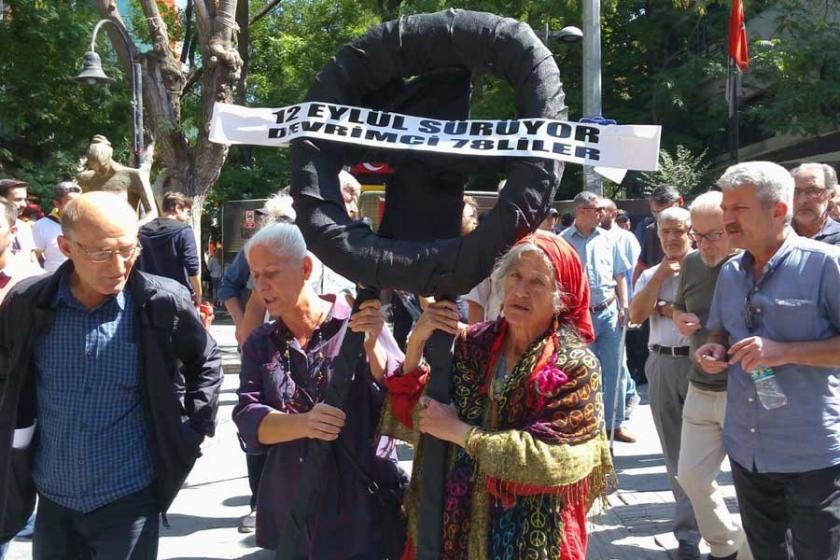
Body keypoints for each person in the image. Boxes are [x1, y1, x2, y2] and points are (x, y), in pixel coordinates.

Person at [0, 191, 222, 559]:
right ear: (66, 248)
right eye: (102, 252)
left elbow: (207, 360)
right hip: (53, 499)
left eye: (128, 249)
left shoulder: (161, 303)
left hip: (129, 497)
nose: (119, 265)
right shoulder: (29, 302)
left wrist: (194, 428)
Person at [382, 230, 609, 559]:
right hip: (455, 525)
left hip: (534, 534)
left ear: (561, 297)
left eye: (537, 282)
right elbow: (420, 416)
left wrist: (462, 434)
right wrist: (416, 343)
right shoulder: (475, 343)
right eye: (515, 276)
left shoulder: (574, 365)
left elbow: (553, 461)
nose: (520, 290)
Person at [696, 161, 840, 559]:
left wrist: (785, 352)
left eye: (738, 209)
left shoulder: (824, 264)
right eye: (725, 209)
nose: (726, 219)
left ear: (778, 210)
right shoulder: (730, 272)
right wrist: (714, 349)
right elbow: (720, 331)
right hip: (748, 449)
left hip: (810, 453)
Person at [232, 222, 404, 557]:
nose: (262, 286)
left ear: (306, 267)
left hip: (361, 509)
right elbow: (247, 418)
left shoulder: (355, 324)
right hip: (294, 508)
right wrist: (304, 423)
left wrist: (373, 349)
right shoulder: (261, 342)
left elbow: (402, 401)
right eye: (255, 275)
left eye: (272, 273)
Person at [671, 191, 750, 560]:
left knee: (753, 486)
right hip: (699, 386)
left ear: (732, 228)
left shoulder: (751, 266)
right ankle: (727, 545)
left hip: (742, 390)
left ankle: (746, 552)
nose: (704, 244)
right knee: (690, 477)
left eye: (713, 234)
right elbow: (680, 307)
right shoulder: (690, 263)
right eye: (697, 235)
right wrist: (678, 319)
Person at [629, 206, 702, 559]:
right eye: (665, 232)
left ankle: (709, 524)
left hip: (700, 365)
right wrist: (658, 279)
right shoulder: (649, 275)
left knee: (702, 452)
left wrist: (667, 307)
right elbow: (635, 314)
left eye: (679, 231)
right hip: (661, 362)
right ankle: (688, 534)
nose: (672, 238)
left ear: (692, 231)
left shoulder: (707, 266)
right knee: (674, 453)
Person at [561, 191, 635, 442]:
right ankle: (587, 422)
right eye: (597, 210)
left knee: (615, 369)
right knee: (583, 370)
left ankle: (615, 424)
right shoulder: (563, 241)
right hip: (579, 317)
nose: (602, 214)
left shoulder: (608, 239)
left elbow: (620, 275)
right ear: (581, 212)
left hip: (610, 311)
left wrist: (625, 305)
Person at [137, 191, 202, 306]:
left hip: (147, 296)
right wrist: (198, 293)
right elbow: (192, 266)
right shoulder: (184, 231)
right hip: (177, 296)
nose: (188, 217)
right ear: (177, 208)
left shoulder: (142, 231)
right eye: (188, 212)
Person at [76, 135, 158, 222]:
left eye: (101, 167)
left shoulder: (133, 176)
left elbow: (152, 213)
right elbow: (79, 210)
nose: (98, 171)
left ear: (109, 157)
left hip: (125, 232)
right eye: (94, 168)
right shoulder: (86, 178)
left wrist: (134, 228)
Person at [633, 184, 684, 284]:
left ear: (680, 202)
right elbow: (640, 270)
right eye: (656, 213)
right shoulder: (652, 231)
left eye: (667, 212)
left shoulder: (698, 227)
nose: (661, 218)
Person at [32, 181, 82, 273]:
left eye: (78, 201)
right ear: (57, 204)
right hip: (53, 280)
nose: (76, 206)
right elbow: (34, 256)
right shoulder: (42, 226)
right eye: (70, 202)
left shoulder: (87, 223)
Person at [790, 162, 840, 246]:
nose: (802, 200)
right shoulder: (773, 234)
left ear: (831, 195)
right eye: (795, 191)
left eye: (813, 191)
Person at [0, 179, 39, 268]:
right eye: (18, 199)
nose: (24, 205)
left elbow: (31, 258)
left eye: (25, 199)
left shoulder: (25, 227)